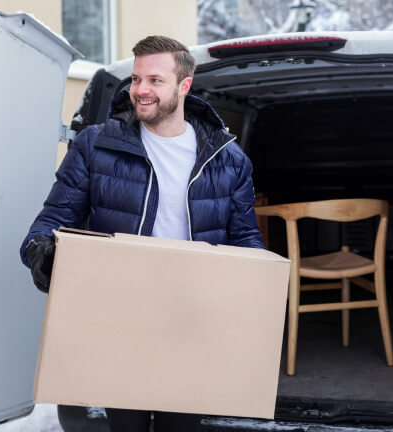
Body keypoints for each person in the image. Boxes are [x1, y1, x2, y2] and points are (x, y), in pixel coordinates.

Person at [19, 35, 265, 432]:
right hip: (121, 315)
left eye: (155, 80)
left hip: (192, 318)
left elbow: (245, 237)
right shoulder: (95, 145)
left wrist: (256, 292)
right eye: (135, 79)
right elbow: (52, 218)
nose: (141, 90)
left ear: (184, 86)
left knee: (180, 427)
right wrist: (40, 250)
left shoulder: (228, 159)